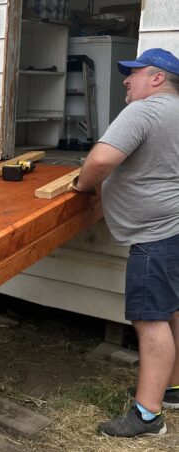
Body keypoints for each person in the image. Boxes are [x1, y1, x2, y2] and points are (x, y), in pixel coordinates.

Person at [68, 48, 179, 438]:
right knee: (172, 310)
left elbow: (99, 161)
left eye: (133, 74)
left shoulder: (145, 111)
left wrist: (81, 185)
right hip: (175, 228)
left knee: (149, 319)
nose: (126, 81)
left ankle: (147, 417)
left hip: (155, 233)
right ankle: (172, 390)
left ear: (158, 78)